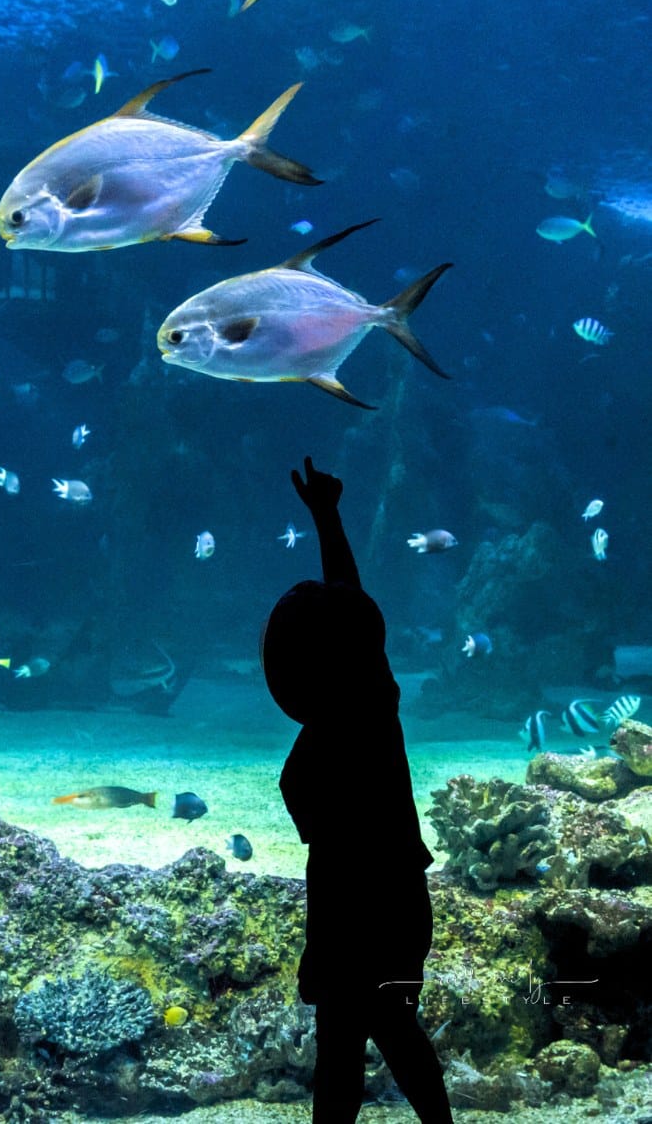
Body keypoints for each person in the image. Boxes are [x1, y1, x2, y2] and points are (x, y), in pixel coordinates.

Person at [262, 457, 454, 1123]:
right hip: (385, 902)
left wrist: (327, 518)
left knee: (354, 1044)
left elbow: (347, 614)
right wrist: (327, 517)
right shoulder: (372, 698)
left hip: (361, 910)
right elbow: (349, 609)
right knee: (381, 1033)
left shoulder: (348, 720)